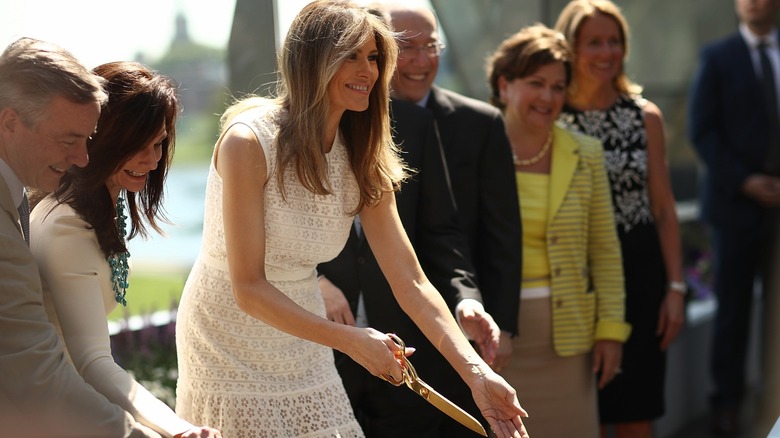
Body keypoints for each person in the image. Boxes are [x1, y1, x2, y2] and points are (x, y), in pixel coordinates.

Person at [174, 2, 529, 438]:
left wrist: (477, 375)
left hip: (305, 333)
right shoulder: (248, 142)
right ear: (312, 60)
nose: (369, 71)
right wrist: (351, 340)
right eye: (351, 55)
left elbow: (411, 283)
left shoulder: (362, 151)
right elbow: (247, 287)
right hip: (226, 337)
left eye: (374, 57)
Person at [28, 61, 221, 438]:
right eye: (136, 146)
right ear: (100, 139)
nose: (151, 160)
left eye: (159, 143)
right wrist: (177, 428)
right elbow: (93, 362)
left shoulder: (102, 205)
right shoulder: (67, 225)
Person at [0, 36, 160, 437]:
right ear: (9, 123)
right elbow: (38, 376)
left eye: (87, 140)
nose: (83, 159)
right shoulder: (51, 223)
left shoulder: (21, 199)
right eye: (69, 140)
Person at [317, 96, 500, 436]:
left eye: (372, 57)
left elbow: (439, 233)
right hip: (313, 352)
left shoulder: (415, 123)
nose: (364, 70)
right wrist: (313, 283)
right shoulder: (277, 134)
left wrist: (466, 301)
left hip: (402, 352)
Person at [382, 4, 524, 434]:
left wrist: (501, 322)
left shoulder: (479, 123)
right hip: (377, 327)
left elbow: (502, 234)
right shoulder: (351, 123)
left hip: (462, 324)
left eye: (431, 46)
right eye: (407, 48)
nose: (422, 61)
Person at [485, 23, 630, 438]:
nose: (548, 97)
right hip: (496, 339)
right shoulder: (475, 147)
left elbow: (604, 250)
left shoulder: (585, 153)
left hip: (570, 341)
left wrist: (610, 331)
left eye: (558, 86)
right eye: (536, 83)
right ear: (505, 84)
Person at [552, 1, 687, 437]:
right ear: (570, 47)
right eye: (594, 42)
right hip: (571, 275)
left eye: (614, 41)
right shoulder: (550, 115)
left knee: (635, 409)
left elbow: (664, 209)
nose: (607, 52)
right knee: (575, 410)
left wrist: (676, 288)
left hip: (639, 273)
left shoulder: (644, 116)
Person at [688, 0, 780, 434]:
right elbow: (702, 131)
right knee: (733, 313)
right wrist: (746, 181)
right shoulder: (717, 56)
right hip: (734, 207)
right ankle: (727, 405)